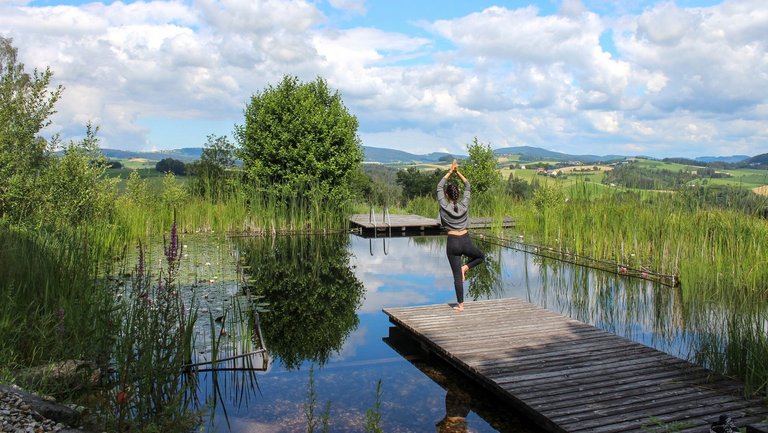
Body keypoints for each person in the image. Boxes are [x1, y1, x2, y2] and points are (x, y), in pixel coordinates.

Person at [437, 159, 485, 312]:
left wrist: (450, 171)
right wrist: (458, 173)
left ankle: (461, 305)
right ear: (457, 194)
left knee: (457, 276)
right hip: (465, 240)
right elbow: (468, 186)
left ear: (446, 194)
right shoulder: (464, 204)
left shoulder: (444, 206)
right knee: (480, 257)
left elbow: (439, 185)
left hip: (452, 242)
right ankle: (466, 267)